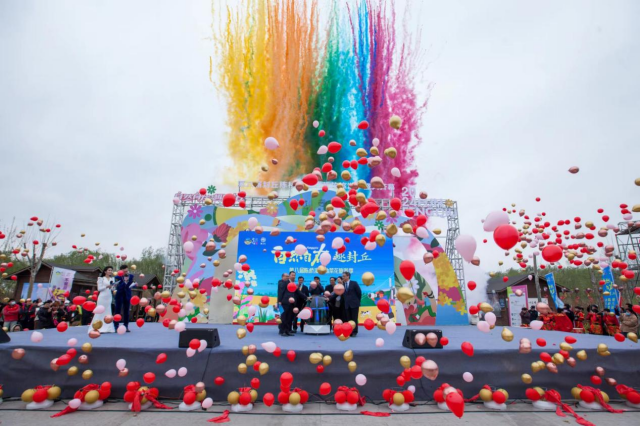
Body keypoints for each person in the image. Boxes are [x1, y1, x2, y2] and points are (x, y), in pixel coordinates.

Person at [91, 266, 116, 334]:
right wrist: (106, 286)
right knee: (100, 311)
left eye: (111, 270)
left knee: (108, 311)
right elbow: (99, 289)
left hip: (109, 296)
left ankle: (108, 327)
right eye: (109, 270)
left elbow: (112, 289)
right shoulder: (101, 278)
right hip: (102, 296)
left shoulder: (112, 279)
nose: (110, 271)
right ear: (105, 271)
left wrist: (113, 287)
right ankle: (97, 326)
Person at [113, 265, 137, 332]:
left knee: (126, 311)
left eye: (127, 270)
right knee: (117, 310)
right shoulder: (117, 277)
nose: (126, 272)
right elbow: (118, 287)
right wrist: (125, 282)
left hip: (127, 295)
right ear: (121, 271)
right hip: (119, 294)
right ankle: (116, 326)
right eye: (124, 271)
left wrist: (134, 285)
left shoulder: (131, 276)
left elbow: (131, 285)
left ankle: (126, 325)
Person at [341, 271, 362, 337]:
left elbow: (359, 293)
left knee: (354, 318)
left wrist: (356, 301)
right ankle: (349, 331)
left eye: (344, 276)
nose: (343, 277)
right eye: (342, 276)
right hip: (347, 304)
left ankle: (354, 331)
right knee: (348, 319)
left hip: (354, 304)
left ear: (348, 276)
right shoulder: (342, 285)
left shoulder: (354, 283)